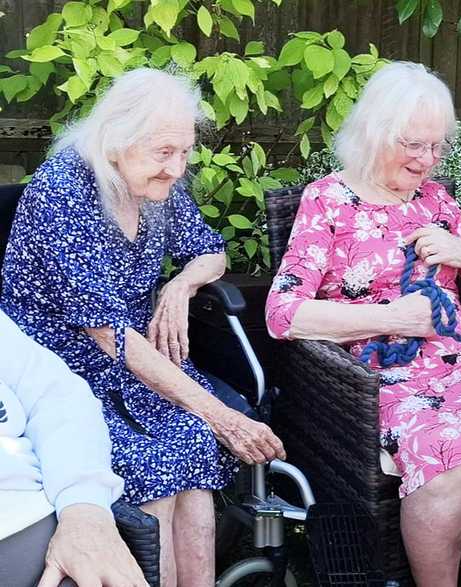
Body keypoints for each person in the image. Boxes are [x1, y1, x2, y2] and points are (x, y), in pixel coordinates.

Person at [265, 61, 461, 587]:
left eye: (437, 146)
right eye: (414, 145)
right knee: (446, 463)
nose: (428, 160)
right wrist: (389, 317)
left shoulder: (436, 202)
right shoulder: (327, 202)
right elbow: (283, 314)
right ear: (376, 133)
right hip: (380, 375)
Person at [0, 68, 285, 586]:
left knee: (195, 439)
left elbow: (211, 252)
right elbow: (106, 332)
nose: (178, 167)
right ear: (116, 142)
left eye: (185, 151)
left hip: (137, 363)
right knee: (158, 464)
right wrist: (223, 416)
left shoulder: (155, 184)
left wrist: (180, 288)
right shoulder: (62, 191)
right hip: (63, 372)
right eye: (164, 152)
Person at [0, 308, 145, 587]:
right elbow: (107, 330)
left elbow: (58, 397)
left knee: (194, 442)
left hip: (48, 520)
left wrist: (86, 506)